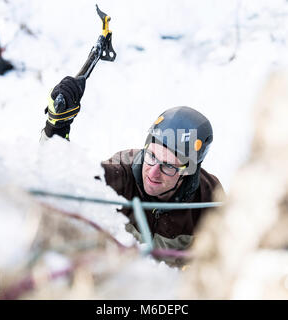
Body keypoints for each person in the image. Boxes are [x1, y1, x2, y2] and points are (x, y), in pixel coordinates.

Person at [41, 76, 225, 254]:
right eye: (151, 156)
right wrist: (56, 128)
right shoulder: (120, 172)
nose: (153, 173)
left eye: (168, 166)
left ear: (188, 171)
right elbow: (58, 179)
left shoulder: (208, 197)